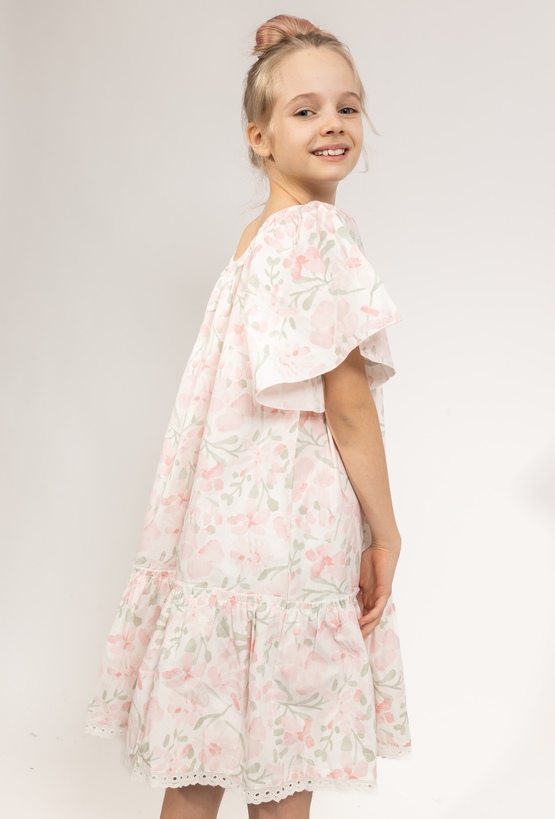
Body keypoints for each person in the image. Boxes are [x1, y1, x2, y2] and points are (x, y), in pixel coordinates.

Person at [85, 13, 412, 819]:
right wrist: (385, 531)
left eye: (346, 106)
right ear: (258, 139)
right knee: (284, 756)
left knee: (203, 752)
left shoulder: (259, 236)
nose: (331, 123)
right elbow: (347, 407)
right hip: (293, 535)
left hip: (220, 539)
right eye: (304, 110)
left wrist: (299, 53)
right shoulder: (320, 235)